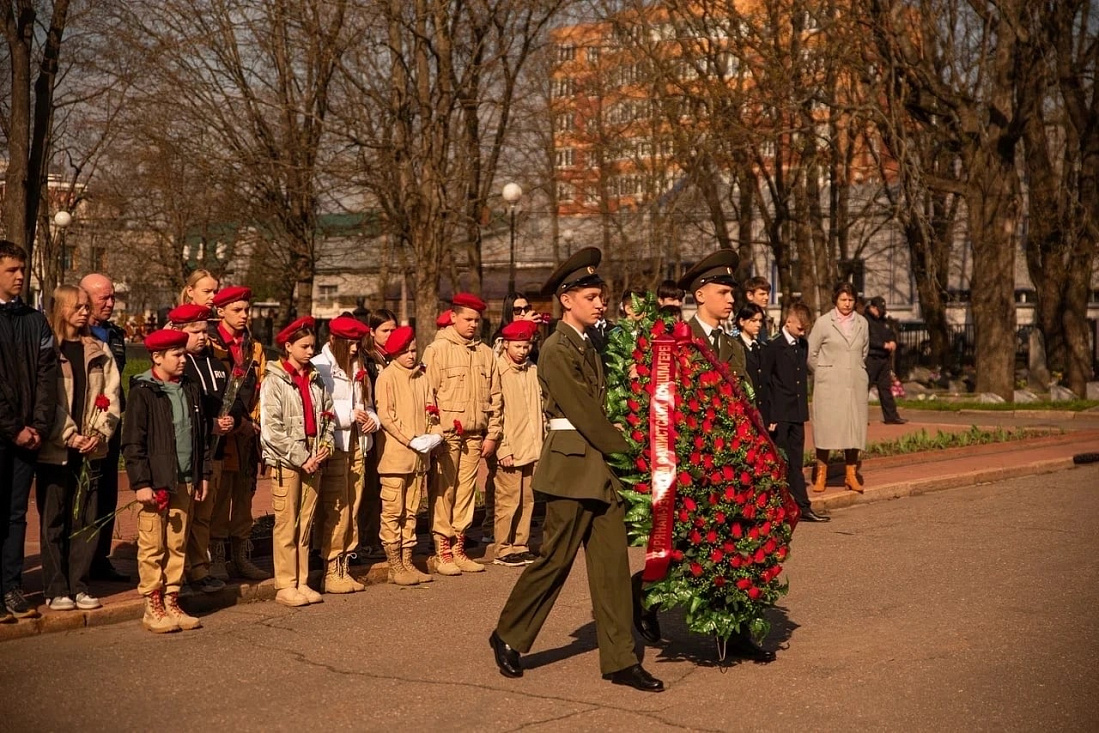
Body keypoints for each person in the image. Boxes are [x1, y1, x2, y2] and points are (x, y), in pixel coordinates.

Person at [490, 247, 664, 692]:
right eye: (591, 296)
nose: (600, 303)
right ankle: (508, 634)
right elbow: (585, 413)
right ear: (566, 300)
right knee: (554, 560)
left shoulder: (592, 343)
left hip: (600, 469)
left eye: (601, 296)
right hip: (573, 467)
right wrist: (631, 452)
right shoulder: (554, 348)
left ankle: (620, 660)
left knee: (609, 567)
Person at [37, 285, 122, 611]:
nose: (85, 311)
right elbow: (46, 400)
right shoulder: (49, 349)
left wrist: (98, 433)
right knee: (55, 519)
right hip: (57, 450)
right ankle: (56, 587)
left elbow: (111, 396)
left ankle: (80, 585)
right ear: (61, 309)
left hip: (91, 448)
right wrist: (69, 435)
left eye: (88, 306)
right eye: (78, 306)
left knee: (86, 520)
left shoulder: (98, 349)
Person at [123, 329, 212, 634]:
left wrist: (203, 475)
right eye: (175, 354)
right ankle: (153, 604)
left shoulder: (189, 387)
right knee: (153, 544)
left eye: (183, 353)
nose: (183, 359)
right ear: (157, 357)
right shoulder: (144, 391)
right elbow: (133, 443)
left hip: (186, 480)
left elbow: (200, 435)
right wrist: (141, 482)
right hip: (157, 482)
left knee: (178, 543)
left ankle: (173, 598)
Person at [422, 293, 502, 576]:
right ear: (453, 317)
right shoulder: (437, 350)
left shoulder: (485, 352)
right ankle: (442, 548)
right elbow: (428, 395)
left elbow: (496, 396)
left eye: (477, 320)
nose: (472, 325)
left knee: (467, 492)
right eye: (467, 319)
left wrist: (492, 433)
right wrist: (433, 433)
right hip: (448, 434)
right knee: (445, 491)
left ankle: (459, 546)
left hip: (475, 433)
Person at [0, 241, 58, 622]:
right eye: (11, 270)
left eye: (22, 269)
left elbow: (46, 375)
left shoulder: (35, 321)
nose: (20, 276)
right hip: (5, 433)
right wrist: (12, 428)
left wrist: (36, 425)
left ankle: (11, 587)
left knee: (16, 514)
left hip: (27, 436)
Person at [260, 317, 334, 607]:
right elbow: (272, 429)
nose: (309, 351)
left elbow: (327, 416)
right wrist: (302, 457)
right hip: (288, 463)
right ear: (287, 346)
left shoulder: (315, 378)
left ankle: (302, 581)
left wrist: (325, 446)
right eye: (303, 346)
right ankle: (285, 584)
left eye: (312, 346)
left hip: (314, 459)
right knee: (286, 523)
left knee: (305, 524)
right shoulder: (274, 380)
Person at [311, 316, 378, 594]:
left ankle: (344, 564)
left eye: (358, 343)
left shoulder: (359, 365)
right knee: (338, 509)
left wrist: (373, 418)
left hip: (358, 445)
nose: (354, 348)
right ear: (334, 340)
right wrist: (349, 416)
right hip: (336, 446)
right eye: (349, 343)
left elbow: (368, 403)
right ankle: (331, 567)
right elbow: (318, 410)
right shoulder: (320, 366)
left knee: (354, 505)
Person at [206, 286, 268, 581]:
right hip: (222, 432)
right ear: (220, 312)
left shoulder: (254, 347)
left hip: (247, 433)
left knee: (244, 496)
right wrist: (232, 420)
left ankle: (241, 555)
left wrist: (253, 422)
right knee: (220, 496)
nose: (244, 315)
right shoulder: (211, 343)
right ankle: (216, 556)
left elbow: (260, 387)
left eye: (246, 310)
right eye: (237, 310)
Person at [170, 304, 232, 594]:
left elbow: (226, 399)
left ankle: (199, 569)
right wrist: (211, 424)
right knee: (184, 516)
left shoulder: (217, 365)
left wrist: (230, 419)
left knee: (204, 515)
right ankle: (176, 573)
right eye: (194, 331)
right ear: (179, 332)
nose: (202, 337)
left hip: (213, 454)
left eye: (204, 331)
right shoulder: (178, 368)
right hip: (187, 456)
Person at [374, 326, 442, 585]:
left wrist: (435, 433)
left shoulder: (422, 378)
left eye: (414, 350)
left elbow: (431, 410)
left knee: (411, 511)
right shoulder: (387, 377)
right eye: (405, 351)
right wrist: (410, 439)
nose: (411, 356)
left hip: (418, 459)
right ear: (394, 353)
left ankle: (407, 560)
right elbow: (386, 416)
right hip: (395, 457)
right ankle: (394, 564)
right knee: (393, 511)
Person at [79, 273, 130, 583]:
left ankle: (100, 560)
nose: (110, 303)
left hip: (111, 423)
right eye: (104, 298)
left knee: (108, 493)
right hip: (84, 424)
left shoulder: (115, 334)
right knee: (86, 495)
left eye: (112, 297)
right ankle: (80, 564)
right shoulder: (76, 332)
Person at [760, 302, 829, 523]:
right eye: (799, 328)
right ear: (788, 322)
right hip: (779, 413)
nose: (802, 332)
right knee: (781, 461)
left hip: (797, 412)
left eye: (805, 329)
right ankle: (784, 505)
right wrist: (769, 415)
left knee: (796, 462)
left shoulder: (802, 345)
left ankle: (801, 506)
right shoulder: (773, 346)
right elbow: (766, 382)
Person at [808, 282, 870, 494]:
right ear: (835, 299)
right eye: (843, 299)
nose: (847, 304)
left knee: (853, 429)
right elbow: (811, 353)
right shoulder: (824, 322)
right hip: (829, 384)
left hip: (854, 384)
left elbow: (864, 351)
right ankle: (821, 475)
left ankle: (851, 475)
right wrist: (825, 372)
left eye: (851, 300)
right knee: (826, 428)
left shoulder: (862, 323)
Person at [491, 320, 542, 568]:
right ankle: (503, 546)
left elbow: (539, 408)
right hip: (510, 448)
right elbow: (496, 413)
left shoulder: (532, 370)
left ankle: (521, 544)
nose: (523, 351)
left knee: (528, 499)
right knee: (508, 500)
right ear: (506, 344)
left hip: (531, 447)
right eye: (518, 346)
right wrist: (503, 447)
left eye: (527, 346)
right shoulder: (498, 370)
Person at [353, 308, 399, 564]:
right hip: (372, 429)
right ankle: (367, 539)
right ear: (372, 332)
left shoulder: (393, 356)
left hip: (391, 430)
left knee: (384, 485)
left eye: (393, 329)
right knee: (369, 486)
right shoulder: (368, 358)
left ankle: (382, 536)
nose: (390, 334)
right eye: (385, 330)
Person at [678, 249, 746, 378]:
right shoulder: (680, 340)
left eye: (731, 293)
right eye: (722, 292)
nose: (731, 299)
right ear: (700, 296)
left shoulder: (735, 348)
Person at [866, 296, 907, 425]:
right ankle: (858, 417)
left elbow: (891, 333)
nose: (880, 312)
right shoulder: (864, 320)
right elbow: (867, 339)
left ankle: (891, 416)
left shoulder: (884, 321)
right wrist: (882, 345)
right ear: (872, 307)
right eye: (878, 309)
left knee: (885, 388)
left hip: (884, 359)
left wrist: (893, 342)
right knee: (863, 389)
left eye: (882, 310)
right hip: (871, 358)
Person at [728, 303, 767, 403]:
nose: (758, 324)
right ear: (742, 321)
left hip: (763, 408)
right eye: (753, 321)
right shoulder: (734, 346)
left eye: (760, 321)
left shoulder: (762, 347)